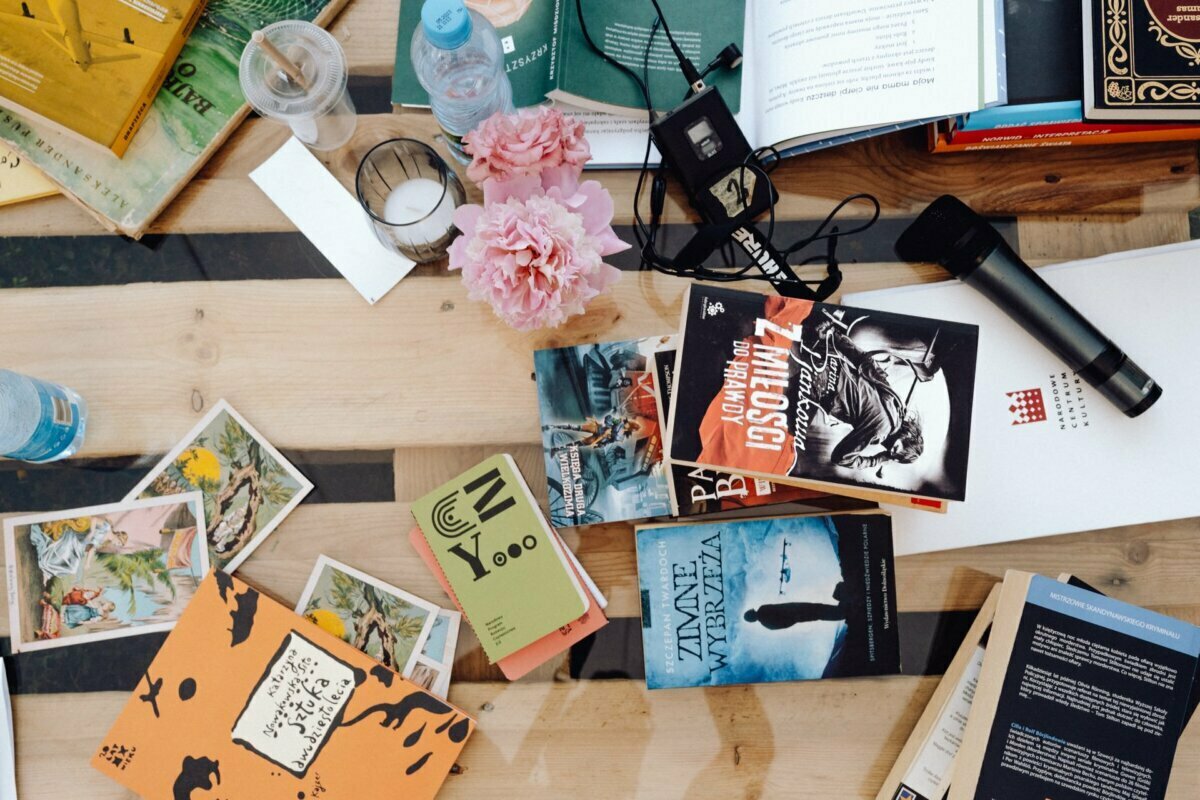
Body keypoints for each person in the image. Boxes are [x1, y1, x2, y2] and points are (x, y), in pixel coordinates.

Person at [811, 322, 936, 471]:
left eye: (892, 454)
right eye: (895, 448)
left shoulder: (896, 404)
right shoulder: (880, 431)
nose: (890, 450)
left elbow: (867, 362)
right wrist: (878, 460)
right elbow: (841, 458)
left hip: (828, 356)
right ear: (906, 436)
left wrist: (834, 336)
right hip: (821, 384)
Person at [29, 517, 126, 584]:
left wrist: (87, 563)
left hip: (81, 546)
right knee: (64, 554)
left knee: (73, 567)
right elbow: (94, 519)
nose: (116, 545)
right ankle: (46, 567)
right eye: (118, 543)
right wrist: (92, 531)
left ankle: (48, 573)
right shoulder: (107, 527)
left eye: (118, 545)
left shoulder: (105, 542)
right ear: (118, 536)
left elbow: (92, 548)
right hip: (76, 538)